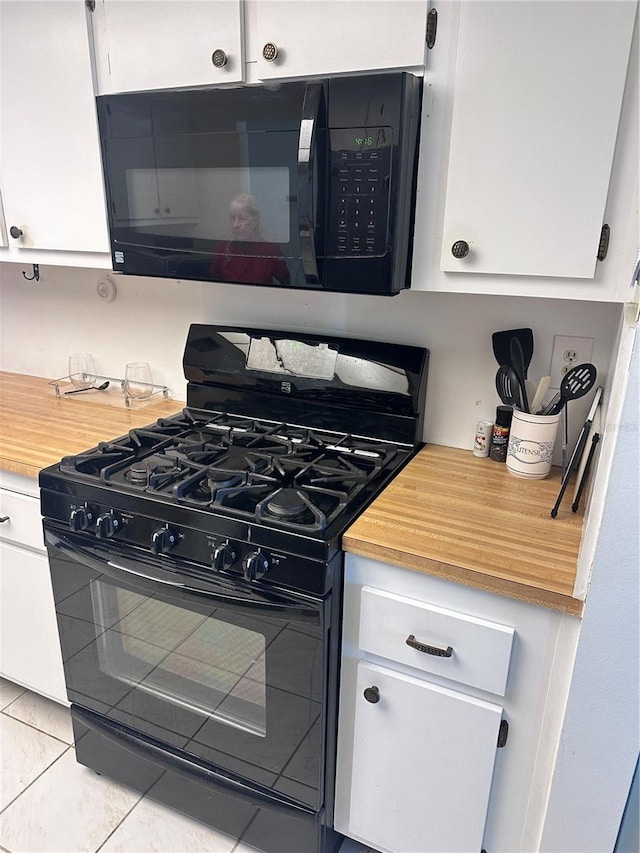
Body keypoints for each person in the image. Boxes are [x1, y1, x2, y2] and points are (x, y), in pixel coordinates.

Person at [210, 193, 290, 286]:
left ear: (255, 221)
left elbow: (287, 283)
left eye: (241, 218)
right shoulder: (221, 250)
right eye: (232, 218)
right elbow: (212, 286)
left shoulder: (270, 250)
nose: (235, 225)